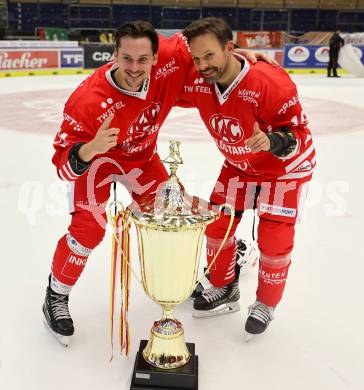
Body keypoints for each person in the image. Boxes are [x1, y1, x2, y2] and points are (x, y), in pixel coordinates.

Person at [43, 20, 274, 346]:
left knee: (175, 214)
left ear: (156, 58)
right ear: (114, 55)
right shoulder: (88, 102)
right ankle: (55, 295)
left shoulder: (174, 56)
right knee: (88, 229)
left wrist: (239, 65)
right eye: (126, 59)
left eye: (143, 60)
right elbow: (62, 168)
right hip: (97, 164)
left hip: (141, 161)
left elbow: (212, 55)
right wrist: (89, 149)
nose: (134, 68)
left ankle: (180, 279)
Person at [180, 17, 316, 338]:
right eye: (196, 59)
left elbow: (297, 130)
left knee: (274, 237)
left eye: (209, 56)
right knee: (217, 222)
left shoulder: (270, 82)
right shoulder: (198, 78)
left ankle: (266, 304)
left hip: (284, 167)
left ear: (229, 48)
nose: (202, 65)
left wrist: (272, 142)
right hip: (239, 165)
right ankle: (225, 286)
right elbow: (160, 79)